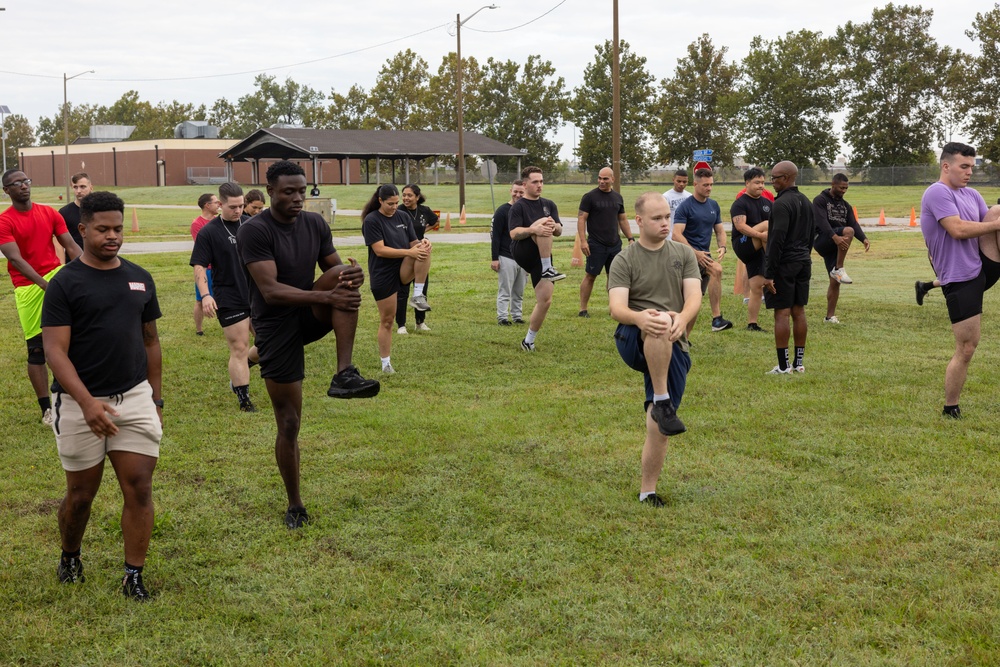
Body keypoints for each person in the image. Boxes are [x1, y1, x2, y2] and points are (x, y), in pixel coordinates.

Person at [238, 160, 380, 529]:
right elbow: (269, 291)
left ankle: (344, 374)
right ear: (269, 191)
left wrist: (352, 275)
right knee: (289, 423)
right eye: (289, 191)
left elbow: (333, 269)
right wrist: (327, 299)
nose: (299, 198)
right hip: (274, 324)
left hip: (308, 313)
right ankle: (295, 503)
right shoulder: (255, 231)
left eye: (302, 190)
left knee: (342, 280)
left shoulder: (315, 223)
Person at [41, 191, 163, 601]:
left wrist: (156, 400)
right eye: (102, 229)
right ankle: (70, 554)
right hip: (79, 405)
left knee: (139, 488)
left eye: (118, 228)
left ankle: (133, 575)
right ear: (82, 229)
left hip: (134, 397)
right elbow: (55, 352)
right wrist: (89, 403)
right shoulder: (65, 284)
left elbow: (151, 342)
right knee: (80, 497)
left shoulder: (140, 277)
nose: (113, 236)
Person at [608, 192, 701, 507]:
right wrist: (640, 318)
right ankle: (662, 399)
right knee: (658, 319)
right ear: (639, 221)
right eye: (657, 218)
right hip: (632, 337)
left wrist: (683, 318)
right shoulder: (625, 259)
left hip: (674, 340)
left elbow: (693, 298)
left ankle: (647, 491)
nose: (665, 223)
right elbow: (617, 308)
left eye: (667, 217)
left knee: (661, 424)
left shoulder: (684, 254)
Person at [918, 142, 1000, 418]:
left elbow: (984, 226)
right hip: (959, 278)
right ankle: (950, 407)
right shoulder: (936, 193)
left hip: (982, 265)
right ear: (946, 166)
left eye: (971, 168)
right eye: (963, 167)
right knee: (966, 348)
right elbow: (958, 230)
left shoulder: (972, 194)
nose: (969, 173)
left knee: (997, 211)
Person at [0, 169, 82, 425]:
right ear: (7, 190)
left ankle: (76, 394)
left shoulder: (49, 212)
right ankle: (46, 409)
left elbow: (70, 245)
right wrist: (46, 286)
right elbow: (16, 259)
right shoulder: (4, 221)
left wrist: (87, 270)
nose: (24, 186)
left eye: (27, 181)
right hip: (27, 285)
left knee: (76, 336)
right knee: (36, 348)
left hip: (55, 274)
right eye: (17, 183)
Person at [190, 182, 259, 412]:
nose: (238, 211)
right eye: (233, 207)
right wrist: (206, 295)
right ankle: (244, 400)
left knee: (270, 345)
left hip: (257, 295)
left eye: (241, 206)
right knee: (239, 347)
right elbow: (199, 266)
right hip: (229, 296)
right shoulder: (209, 232)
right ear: (220, 205)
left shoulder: (251, 225)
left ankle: (248, 363)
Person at [361, 184, 433, 374]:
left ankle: (418, 296)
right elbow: (380, 250)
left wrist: (422, 242)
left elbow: (413, 244)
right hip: (382, 274)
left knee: (424, 249)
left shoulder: (402, 217)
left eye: (396, 203)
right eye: (390, 204)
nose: (394, 207)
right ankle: (386, 364)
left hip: (402, 268)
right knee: (387, 320)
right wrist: (409, 251)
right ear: (380, 201)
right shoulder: (372, 220)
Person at [762, 161, 814, 374]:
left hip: (785, 264)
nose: (771, 182)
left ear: (786, 178)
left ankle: (784, 367)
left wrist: (769, 273)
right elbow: (811, 235)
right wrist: (804, 256)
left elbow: (776, 240)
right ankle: (798, 363)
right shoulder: (806, 201)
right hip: (803, 261)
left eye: (774, 178)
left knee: (782, 313)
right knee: (799, 311)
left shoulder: (781, 204)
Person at [508, 166, 565, 351]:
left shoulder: (549, 204)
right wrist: (535, 229)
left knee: (545, 300)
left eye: (541, 181)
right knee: (544, 224)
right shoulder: (518, 206)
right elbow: (514, 233)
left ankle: (528, 341)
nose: (539, 185)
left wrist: (553, 226)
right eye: (535, 182)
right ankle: (548, 267)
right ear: (525, 184)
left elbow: (559, 230)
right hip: (522, 250)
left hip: (541, 257)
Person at [671, 168, 732, 333]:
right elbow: (676, 234)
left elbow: (719, 230)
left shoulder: (713, 205)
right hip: (686, 258)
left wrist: (722, 247)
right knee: (715, 271)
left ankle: (686, 339)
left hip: (704, 257)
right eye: (705, 185)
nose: (709, 188)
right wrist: (694, 253)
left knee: (695, 301)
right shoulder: (686, 206)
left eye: (711, 184)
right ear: (695, 184)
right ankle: (716, 318)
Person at [577, 166, 635, 317]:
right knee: (590, 275)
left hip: (615, 244)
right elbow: (582, 219)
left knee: (614, 277)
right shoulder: (589, 197)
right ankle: (583, 309)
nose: (601, 181)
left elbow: (622, 219)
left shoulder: (617, 197)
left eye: (605, 179)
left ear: (612, 179)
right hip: (596, 244)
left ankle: (614, 308)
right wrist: (583, 241)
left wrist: (630, 238)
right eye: (600, 178)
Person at [812, 174, 870, 323]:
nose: (844, 190)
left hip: (836, 244)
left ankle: (829, 317)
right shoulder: (820, 200)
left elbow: (854, 223)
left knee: (835, 281)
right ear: (833, 184)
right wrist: (835, 237)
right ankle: (839, 268)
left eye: (846, 188)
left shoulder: (845, 206)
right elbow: (822, 221)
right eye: (841, 187)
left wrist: (863, 238)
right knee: (848, 231)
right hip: (821, 240)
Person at [730, 167, 771, 332]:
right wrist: (761, 236)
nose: (761, 185)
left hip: (759, 247)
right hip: (743, 243)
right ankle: (772, 264)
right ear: (747, 183)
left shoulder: (768, 203)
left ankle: (752, 324)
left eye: (762, 182)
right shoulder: (740, 203)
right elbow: (740, 227)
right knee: (768, 226)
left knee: (756, 286)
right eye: (757, 182)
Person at [395, 184, 439, 334]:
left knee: (421, 289)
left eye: (409, 195)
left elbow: (435, 222)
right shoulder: (399, 210)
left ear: (417, 197)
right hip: (405, 252)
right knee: (402, 291)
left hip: (419, 250)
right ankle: (401, 325)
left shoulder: (424, 210)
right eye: (404, 195)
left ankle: (420, 322)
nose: (406, 198)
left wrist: (421, 233)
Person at [491, 180, 528, 325]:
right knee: (505, 289)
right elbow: (496, 237)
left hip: (522, 257)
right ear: (510, 191)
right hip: (506, 256)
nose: (518, 195)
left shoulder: (525, 210)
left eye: (521, 192)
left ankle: (517, 316)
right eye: (515, 191)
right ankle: (502, 317)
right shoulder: (502, 211)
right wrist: (495, 258)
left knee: (519, 291)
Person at [191, 193, 221, 336]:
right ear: (207, 205)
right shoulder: (197, 224)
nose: (219, 204)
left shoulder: (219, 221)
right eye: (216, 202)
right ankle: (199, 329)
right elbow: (204, 247)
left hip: (220, 267)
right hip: (206, 269)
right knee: (200, 300)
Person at [58, 172, 93, 263]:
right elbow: (59, 243)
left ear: (91, 187)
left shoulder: (99, 210)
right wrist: (61, 266)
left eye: (82, 187)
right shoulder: (64, 212)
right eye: (75, 187)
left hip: (97, 262)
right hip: (73, 263)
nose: (78, 191)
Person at [662, 169, 691, 237]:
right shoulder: (666, 197)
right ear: (673, 180)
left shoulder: (690, 196)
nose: (681, 184)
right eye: (679, 181)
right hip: (670, 235)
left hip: (687, 236)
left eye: (684, 182)